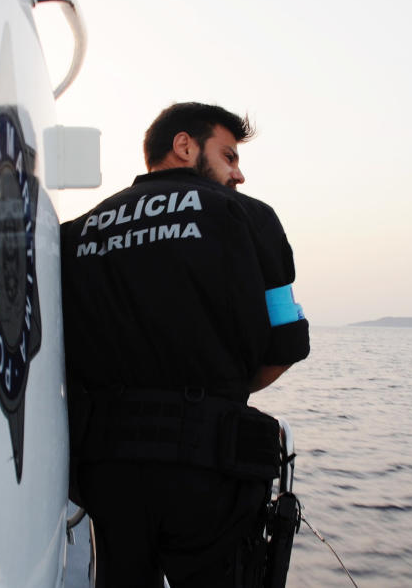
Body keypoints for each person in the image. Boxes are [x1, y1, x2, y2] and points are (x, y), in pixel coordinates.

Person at [61, 102, 310, 587]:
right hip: (209, 471)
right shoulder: (250, 217)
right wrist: (211, 400)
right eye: (229, 155)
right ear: (184, 145)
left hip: (107, 472)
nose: (238, 173)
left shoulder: (75, 234)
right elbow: (284, 344)